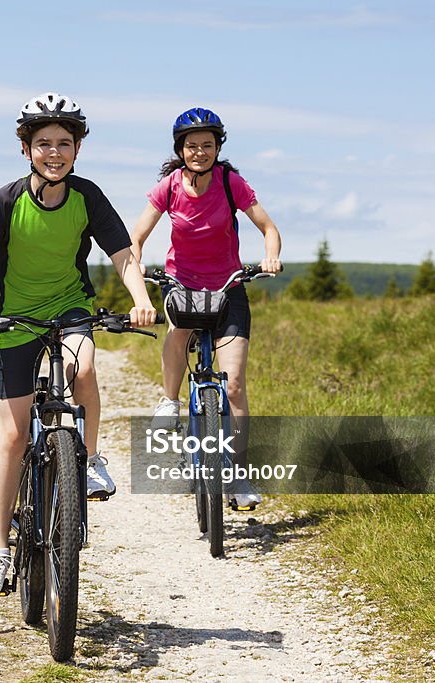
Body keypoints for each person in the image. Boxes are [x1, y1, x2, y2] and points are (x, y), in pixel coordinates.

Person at [0, 92, 156, 600]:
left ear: (77, 149)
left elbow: (123, 254)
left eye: (64, 143)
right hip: (15, 317)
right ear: (26, 148)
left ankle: (86, 461)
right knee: (13, 435)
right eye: (43, 143)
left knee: (82, 370)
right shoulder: (7, 200)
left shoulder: (87, 196)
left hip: (69, 307)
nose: (54, 152)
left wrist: (140, 299)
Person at [129, 107, 282, 508]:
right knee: (178, 335)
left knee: (232, 385)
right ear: (180, 149)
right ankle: (170, 399)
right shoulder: (169, 186)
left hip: (228, 286)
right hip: (183, 283)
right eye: (192, 146)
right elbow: (138, 234)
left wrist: (270, 256)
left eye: (207, 145)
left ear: (218, 147)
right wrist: (137, 259)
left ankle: (239, 475)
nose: (200, 152)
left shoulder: (231, 183)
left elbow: (268, 228)